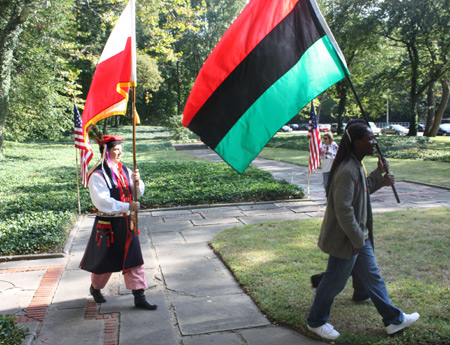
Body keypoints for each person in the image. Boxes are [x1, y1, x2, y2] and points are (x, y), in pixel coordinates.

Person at [306, 121, 419, 340]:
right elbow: (343, 209)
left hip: (358, 236)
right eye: (370, 138)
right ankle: (315, 321)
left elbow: (362, 188)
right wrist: (358, 239)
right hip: (348, 238)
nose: (374, 142)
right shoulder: (347, 169)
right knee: (333, 282)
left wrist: (380, 176)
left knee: (373, 277)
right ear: (357, 142)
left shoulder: (355, 164)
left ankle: (394, 320)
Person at [79, 135, 157, 310]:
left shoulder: (125, 170)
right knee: (104, 262)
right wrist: (127, 205)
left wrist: (137, 183)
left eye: (121, 148)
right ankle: (96, 288)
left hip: (128, 224)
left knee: (134, 257)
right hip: (108, 225)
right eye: (116, 149)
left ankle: (139, 295)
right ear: (106, 152)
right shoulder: (98, 175)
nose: (120, 152)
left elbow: (138, 192)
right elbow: (102, 202)